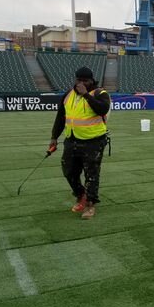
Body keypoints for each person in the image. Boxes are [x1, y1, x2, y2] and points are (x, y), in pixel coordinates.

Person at [50, 66, 110, 219]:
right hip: (71, 139)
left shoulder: (100, 94)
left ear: (92, 81)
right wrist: (54, 138)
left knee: (92, 174)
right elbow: (60, 119)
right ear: (75, 80)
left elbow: (102, 109)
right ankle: (80, 194)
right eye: (79, 80)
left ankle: (90, 205)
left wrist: (86, 95)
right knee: (68, 171)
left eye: (86, 81)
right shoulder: (67, 95)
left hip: (94, 141)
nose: (82, 83)